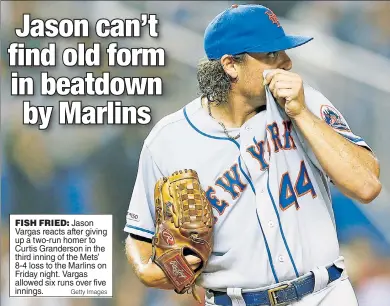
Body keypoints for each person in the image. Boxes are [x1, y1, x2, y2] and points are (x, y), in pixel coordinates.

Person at [123, 4, 381, 306]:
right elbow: (139, 235)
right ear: (231, 65)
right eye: (271, 54)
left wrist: (302, 114)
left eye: (283, 51)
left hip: (325, 294)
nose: (286, 62)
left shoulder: (304, 99)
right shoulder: (168, 140)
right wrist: (145, 270)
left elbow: (367, 186)